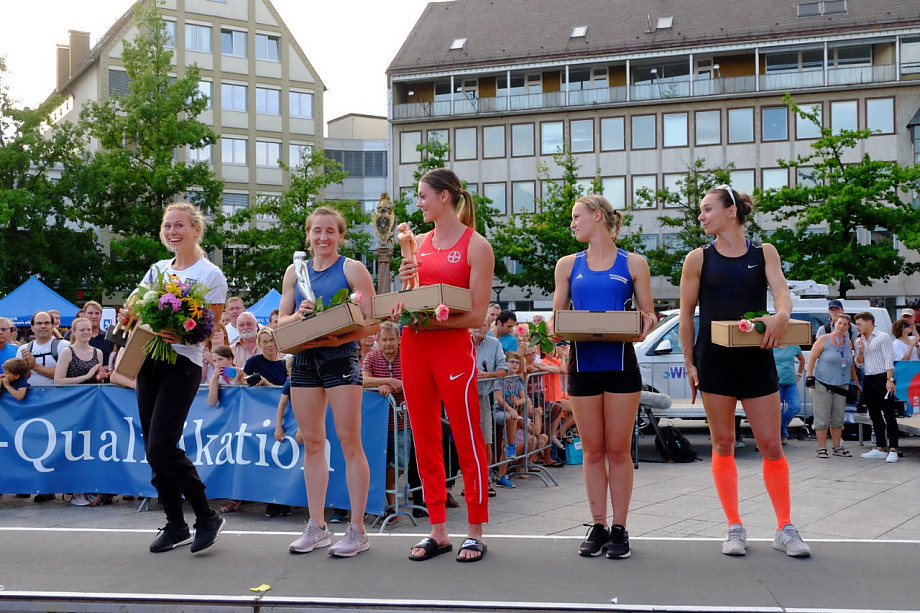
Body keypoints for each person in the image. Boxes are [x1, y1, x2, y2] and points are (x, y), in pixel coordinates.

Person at [679, 184, 811, 558]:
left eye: (707, 209)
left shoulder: (764, 252)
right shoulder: (697, 259)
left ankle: (785, 527)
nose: (701, 216)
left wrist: (781, 315)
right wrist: (689, 363)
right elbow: (686, 316)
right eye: (701, 210)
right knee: (723, 443)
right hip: (713, 360)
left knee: (770, 444)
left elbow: (781, 293)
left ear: (731, 211)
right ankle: (734, 526)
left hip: (756, 358)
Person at [394, 168, 495, 563]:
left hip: (451, 349)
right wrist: (405, 287)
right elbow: (408, 302)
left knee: (467, 437)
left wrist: (434, 321)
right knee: (424, 438)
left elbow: (477, 315)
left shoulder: (476, 246)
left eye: (423, 196)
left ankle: (475, 529)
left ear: (444, 197)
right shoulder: (416, 243)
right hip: (414, 347)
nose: (418, 203)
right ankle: (437, 528)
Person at [552, 194, 656, 560]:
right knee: (593, 450)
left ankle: (620, 528)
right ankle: (598, 524)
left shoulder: (634, 263)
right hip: (582, 366)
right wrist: (553, 332)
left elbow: (648, 315)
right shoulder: (567, 264)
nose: (572, 224)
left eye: (576, 216)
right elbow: (558, 318)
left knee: (618, 450)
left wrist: (644, 323)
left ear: (597, 216)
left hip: (621, 365)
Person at [279, 205, 377, 558]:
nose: (323, 237)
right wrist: (297, 316)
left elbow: (373, 321)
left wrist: (339, 338)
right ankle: (317, 526)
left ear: (340, 235)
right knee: (313, 444)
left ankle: (357, 529)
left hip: (341, 358)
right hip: (304, 359)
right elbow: (280, 322)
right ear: (308, 235)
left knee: (350, 442)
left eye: (330, 231)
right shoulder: (295, 271)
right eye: (317, 231)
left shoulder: (353, 269)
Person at [130, 201, 228, 554]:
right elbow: (136, 306)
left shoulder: (210, 274)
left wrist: (182, 333)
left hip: (183, 364)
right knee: (153, 450)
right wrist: (140, 313)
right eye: (167, 226)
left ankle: (206, 516)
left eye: (179, 225)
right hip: (149, 361)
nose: (172, 231)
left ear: (196, 230)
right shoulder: (157, 270)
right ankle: (175, 524)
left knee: (162, 445)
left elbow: (211, 328)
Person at [361, 320, 411, 509]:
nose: (388, 343)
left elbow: (412, 380)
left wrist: (395, 386)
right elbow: (363, 379)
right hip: (377, 421)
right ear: (378, 340)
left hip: (402, 421)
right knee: (376, 461)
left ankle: (386, 490)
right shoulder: (372, 357)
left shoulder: (406, 355)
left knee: (401, 463)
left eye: (391, 339)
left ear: (399, 339)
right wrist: (388, 381)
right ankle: (387, 502)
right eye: (384, 340)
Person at [805, 313, 859, 459]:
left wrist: (856, 382)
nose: (842, 326)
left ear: (848, 327)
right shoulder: (824, 339)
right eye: (839, 323)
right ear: (834, 324)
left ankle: (837, 446)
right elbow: (812, 358)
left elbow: (850, 364)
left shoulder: (848, 343)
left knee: (838, 418)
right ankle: (822, 448)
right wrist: (809, 377)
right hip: (823, 383)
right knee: (822, 417)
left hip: (841, 385)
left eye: (845, 324)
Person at [853, 312, 898, 463]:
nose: (857, 327)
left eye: (859, 324)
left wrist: (889, 379)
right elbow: (859, 363)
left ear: (869, 322)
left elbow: (888, 358)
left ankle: (893, 449)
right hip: (869, 377)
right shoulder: (859, 340)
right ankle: (880, 447)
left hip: (882, 376)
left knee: (889, 413)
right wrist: (860, 351)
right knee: (874, 413)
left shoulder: (882, 336)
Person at [471, 320, 507, 491]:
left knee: (486, 442)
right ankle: (471, 482)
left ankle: (484, 481)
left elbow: (504, 370)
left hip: (482, 397)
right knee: (465, 443)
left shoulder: (494, 344)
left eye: (484, 324)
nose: (480, 327)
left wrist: (488, 375)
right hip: (460, 398)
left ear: (489, 327)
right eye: (477, 323)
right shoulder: (461, 341)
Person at [16, 312, 70, 386]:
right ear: (32, 327)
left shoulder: (64, 346)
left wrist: (35, 367)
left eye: (47, 323)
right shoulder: (23, 349)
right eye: (39, 323)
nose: (43, 326)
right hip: (30, 392)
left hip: (57, 393)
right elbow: (19, 377)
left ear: (53, 326)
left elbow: (67, 374)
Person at [53, 317, 107, 385]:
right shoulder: (67, 352)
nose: (86, 332)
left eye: (89, 330)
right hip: (72, 391)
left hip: (92, 391)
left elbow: (98, 381)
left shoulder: (98, 353)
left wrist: (99, 377)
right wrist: (86, 376)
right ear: (74, 332)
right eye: (82, 330)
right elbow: (58, 381)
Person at [772, 343, 804, 444]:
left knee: (795, 407)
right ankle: (782, 434)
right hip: (776, 383)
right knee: (778, 410)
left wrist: (799, 374)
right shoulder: (771, 346)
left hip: (790, 383)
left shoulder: (793, 346)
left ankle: (780, 430)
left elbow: (802, 359)